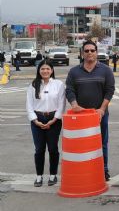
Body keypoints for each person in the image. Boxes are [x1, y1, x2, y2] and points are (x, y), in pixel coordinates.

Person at [65, 40, 115, 181]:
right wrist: (74, 105)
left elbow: (110, 90)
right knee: (82, 144)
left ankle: (103, 169)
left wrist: (102, 109)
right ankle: (84, 169)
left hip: (100, 115)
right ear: (82, 53)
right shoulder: (74, 71)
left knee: (102, 142)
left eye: (92, 50)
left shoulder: (105, 70)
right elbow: (69, 90)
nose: (89, 53)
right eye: (86, 51)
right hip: (81, 116)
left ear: (96, 52)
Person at [26, 59, 66, 187]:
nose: (45, 71)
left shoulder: (59, 84)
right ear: (39, 70)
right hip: (37, 119)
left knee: (53, 149)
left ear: (52, 70)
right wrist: (35, 120)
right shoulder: (33, 85)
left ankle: (53, 175)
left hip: (54, 120)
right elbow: (29, 105)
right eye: (42, 69)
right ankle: (39, 176)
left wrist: (54, 119)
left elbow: (62, 104)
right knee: (39, 149)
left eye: (48, 68)